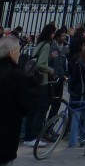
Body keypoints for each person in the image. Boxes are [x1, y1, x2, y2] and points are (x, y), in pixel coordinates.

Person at [0, 35, 33, 164]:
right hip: (6, 134)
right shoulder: (15, 75)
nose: (19, 54)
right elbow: (26, 105)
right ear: (12, 52)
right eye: (19, 51)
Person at [21, 23, 56, 146]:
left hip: (33, 81)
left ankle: (28, 136)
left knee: (32, 109)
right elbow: (41, 64)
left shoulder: (39, 44)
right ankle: (34, 137)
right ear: (50, 34)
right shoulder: (46, 45)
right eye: (53, 33)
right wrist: (51, 70)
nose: (53, 35)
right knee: (40, 110)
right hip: (41, 81)